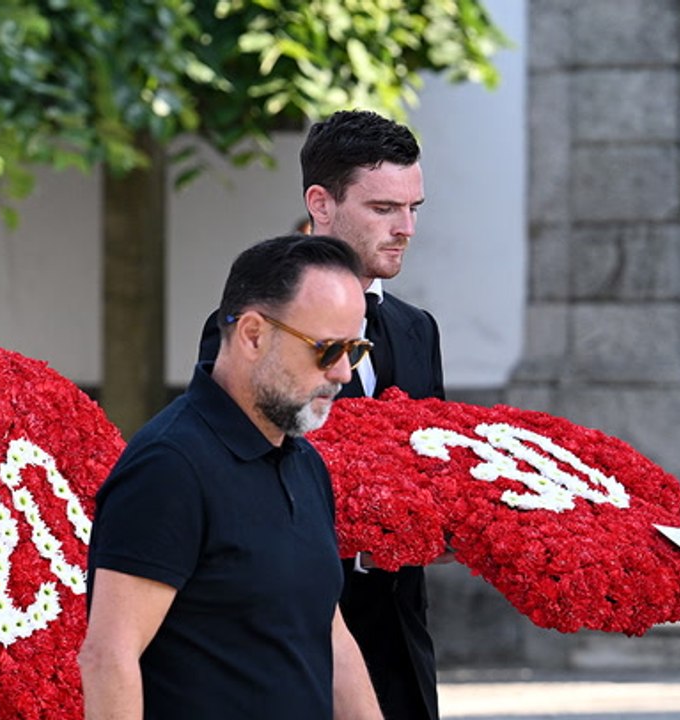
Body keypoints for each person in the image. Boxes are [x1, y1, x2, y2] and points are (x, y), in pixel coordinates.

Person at [197, 110, 446, 720]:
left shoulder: (417, 331)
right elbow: (233, 484)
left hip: (400, 651)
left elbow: (436, 473)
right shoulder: (249, 330)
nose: (406, 227)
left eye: (414, 207)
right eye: (385, 208)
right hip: (286, 650)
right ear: (321, 203)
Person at [81, 235, 383, 719]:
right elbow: (109, 658)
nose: (344, 373)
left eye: (356, 350)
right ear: (253, 334)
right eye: (327, 350)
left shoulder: (305, 462)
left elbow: (330, 635)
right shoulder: (169, 466)